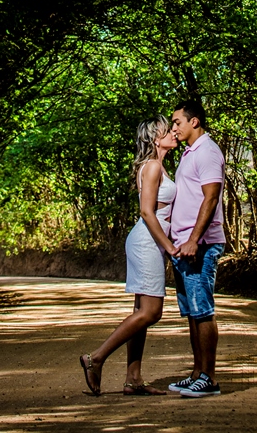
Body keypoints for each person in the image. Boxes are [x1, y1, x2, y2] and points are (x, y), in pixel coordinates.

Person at [80, 115, 178, 396]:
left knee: (140, 312)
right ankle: (95, 358)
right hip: (147, 242)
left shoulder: (160, 167)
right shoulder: (152, 167)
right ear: (155, 138)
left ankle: (133, 379)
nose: (173, 132)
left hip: (150, 243)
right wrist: (170, 248)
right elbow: (147, 212)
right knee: (151, 312)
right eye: (166, 130)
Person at [168, 99, 225, 397]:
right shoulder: (188, 154)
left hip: (200, 246)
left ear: (195, 122)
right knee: (192, 312)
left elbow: (211, 198)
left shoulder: (208, 152)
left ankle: (210, 377)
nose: (173, 127)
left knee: (203, 311)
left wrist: (193, 239)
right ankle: (197, 372)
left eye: (177, 122)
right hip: (183, 249)